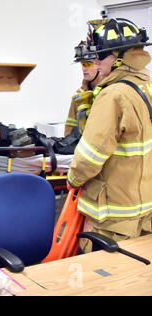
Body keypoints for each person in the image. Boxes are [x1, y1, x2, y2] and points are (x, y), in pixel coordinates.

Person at [66, 18, 152, 253]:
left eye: (99, 57)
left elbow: (89, 157)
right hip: (144, 211)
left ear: (119, 57)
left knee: (103, 279)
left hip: (112, 218)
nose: (93, 64)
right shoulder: (147, 86)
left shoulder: (113, 95)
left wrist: (72, 179)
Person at [65, 40, 106, 136]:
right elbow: (69, 130)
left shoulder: (111, 91)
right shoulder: (79, 95)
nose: (84, 69)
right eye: (82, 64)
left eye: (88, 64)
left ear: (99, 64)